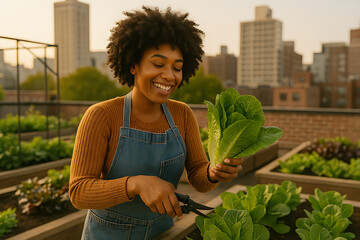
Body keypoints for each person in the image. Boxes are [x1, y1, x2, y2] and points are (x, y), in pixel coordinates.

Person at [69, 6, 244, 240]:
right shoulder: (101, 115)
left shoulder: (182, 114)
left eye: (177, 67)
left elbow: (198, 177)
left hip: (163, 232)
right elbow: (79, 192)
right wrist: (136, 184)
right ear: (133, 65)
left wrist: (214, 172)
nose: (170, 76)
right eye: (158, 64)